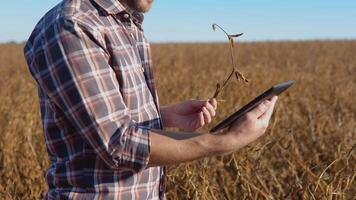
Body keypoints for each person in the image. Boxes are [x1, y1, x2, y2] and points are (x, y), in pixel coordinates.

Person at [24, 0, 278, 199]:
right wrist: (222, 141)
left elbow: (98, 117)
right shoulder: (73, 26)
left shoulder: (126, 23)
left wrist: (163, 116)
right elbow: (119, 144)